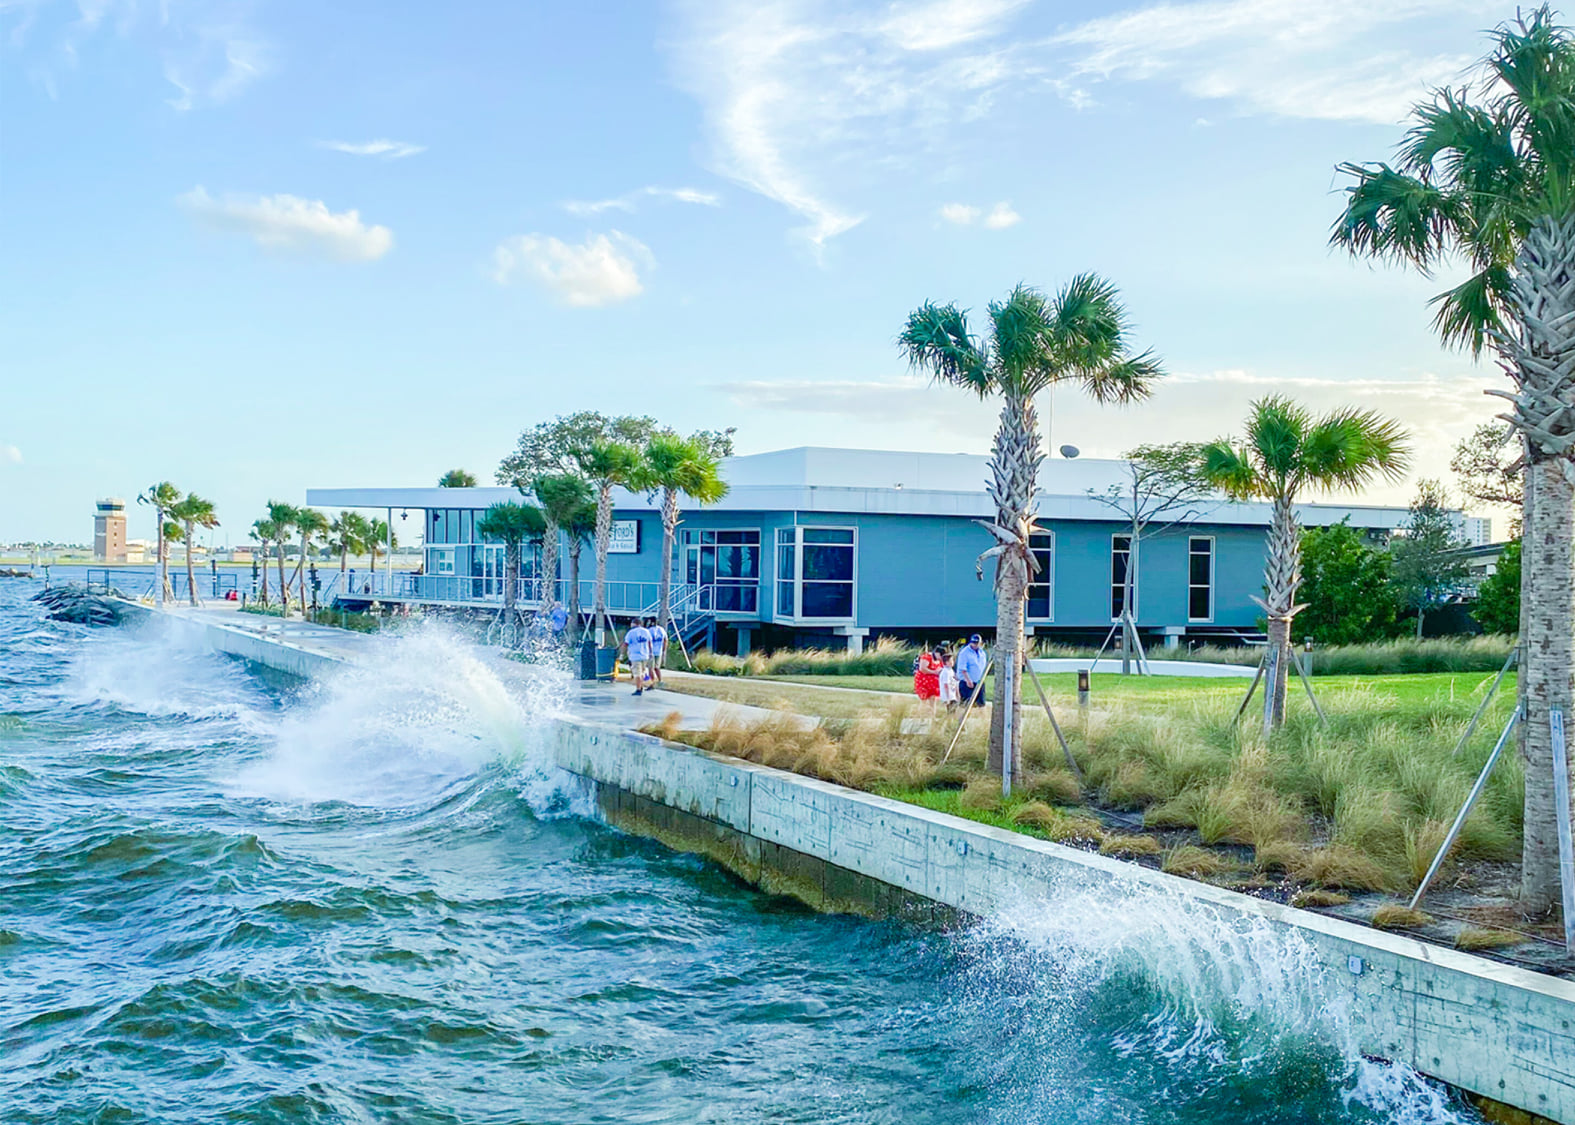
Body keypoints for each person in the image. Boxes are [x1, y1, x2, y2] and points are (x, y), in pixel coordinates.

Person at [956, 633, 988, 707]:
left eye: (977, 643)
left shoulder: (982, 653)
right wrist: (968, 680)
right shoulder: (964, 653)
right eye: (973, 643)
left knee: (981, 703)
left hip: (979, 681)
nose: (975, 645)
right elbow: (963, 668)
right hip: (967, 682)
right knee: (966, 703)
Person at [624, 618, 653, 696]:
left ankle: (638, 689)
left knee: (637, 673)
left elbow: (626, 643)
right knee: (643, 672)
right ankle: (643, 685)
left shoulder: (631, 633)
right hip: (645, 655)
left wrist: (622, 653)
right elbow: (649, 642)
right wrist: (650, 652)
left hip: (635, 655)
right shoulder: (646, 632)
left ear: (634, 624)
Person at [647, 616, 667, 687]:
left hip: (651, 652)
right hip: (659, 651)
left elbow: (647, 641)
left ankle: (652, 682)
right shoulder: (661, 630)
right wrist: (664, 649)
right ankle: (660, 680)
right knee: (657, 667)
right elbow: (665, 640)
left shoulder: (649, 630)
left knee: (650, 668)